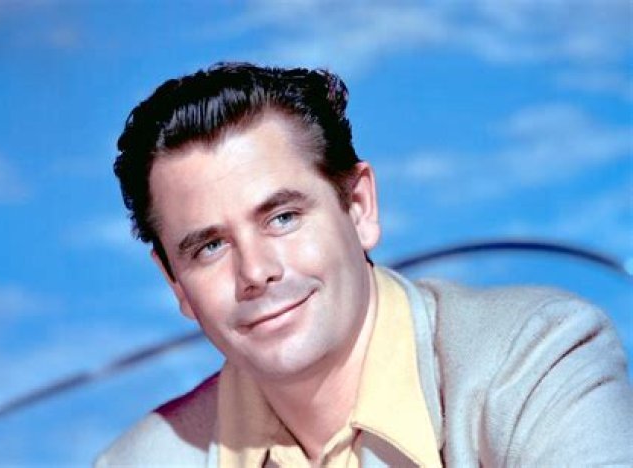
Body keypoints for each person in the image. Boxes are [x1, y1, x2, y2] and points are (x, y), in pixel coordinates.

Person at [96, 62, 633, 467]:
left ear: (359, 208)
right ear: (176, 285)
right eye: (210, 247)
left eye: (282, 217)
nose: (255, 272)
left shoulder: (537, 364)